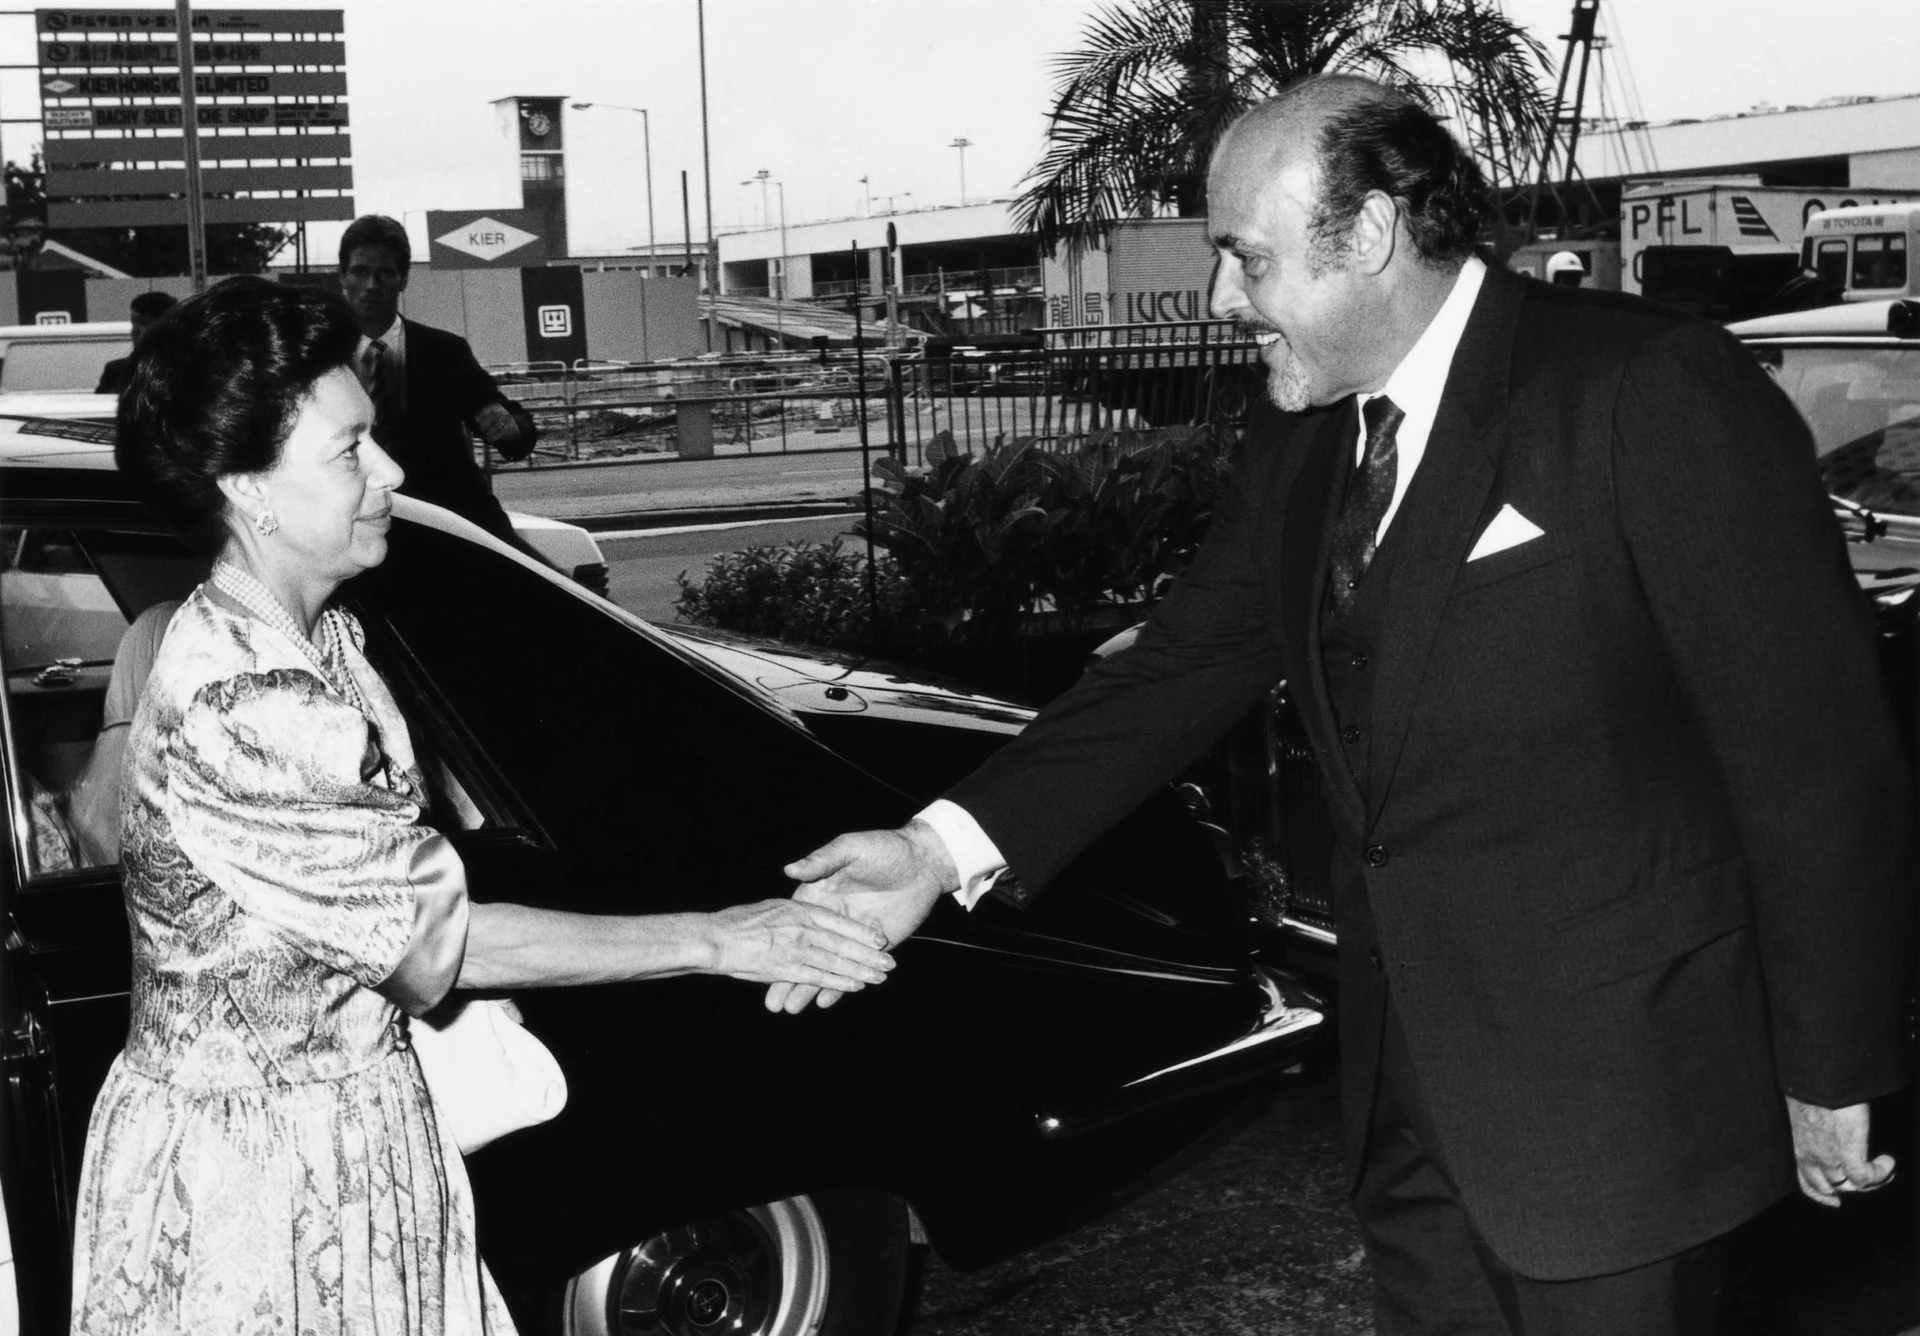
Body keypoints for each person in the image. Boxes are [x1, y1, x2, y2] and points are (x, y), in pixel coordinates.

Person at [772, 77, 1914, 1335]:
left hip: (1624, 1106)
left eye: (1243, 258)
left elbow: (1810, 755)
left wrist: (1834, 1060)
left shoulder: (1644, 388)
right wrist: (939, 850)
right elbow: (1177, 665)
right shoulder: (1306, 434)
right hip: (1410, 1104)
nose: (1221, 301)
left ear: (1365, 236)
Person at [70, 278, 896, 1334]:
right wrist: (728, 938)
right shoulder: (245, 698)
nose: (392, 470)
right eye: (349, 450)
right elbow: (439, 942)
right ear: (251, 489)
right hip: (263, 1184)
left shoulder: (317, 634)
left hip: (345, 1133)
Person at [338, 214, 539, 546]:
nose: (373, 285)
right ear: (342, 277)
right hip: (356, 527)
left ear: (403, 279)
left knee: (547, 589)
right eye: (360, 271)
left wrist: (511, 427)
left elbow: (512, 434)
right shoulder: (319, 358)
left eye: (386, 272)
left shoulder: (446, 351)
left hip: (447, 525)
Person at [94, 290, 178, 395]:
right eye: (133, 322)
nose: (135, 330)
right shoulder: (116, 370)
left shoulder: (188, 369)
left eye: (144, 322)